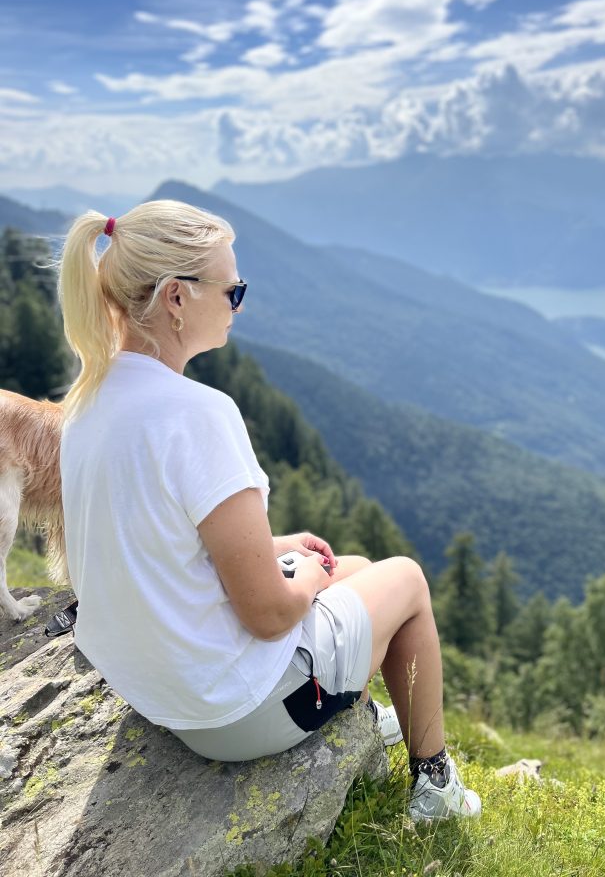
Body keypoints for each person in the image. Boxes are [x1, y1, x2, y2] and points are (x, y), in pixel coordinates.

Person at [56, 200, 481, 822]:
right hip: (237, 711)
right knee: (407, 580)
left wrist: (273, 544)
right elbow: (267, 615)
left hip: (162, 692)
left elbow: (150, 540)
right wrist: (303, 578)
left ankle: (369, 718)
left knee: (357, 567)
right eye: (232, 289)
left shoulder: (88, 403)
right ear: (176, 297)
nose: (239, 304)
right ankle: (436, 787)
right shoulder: (198, 414)